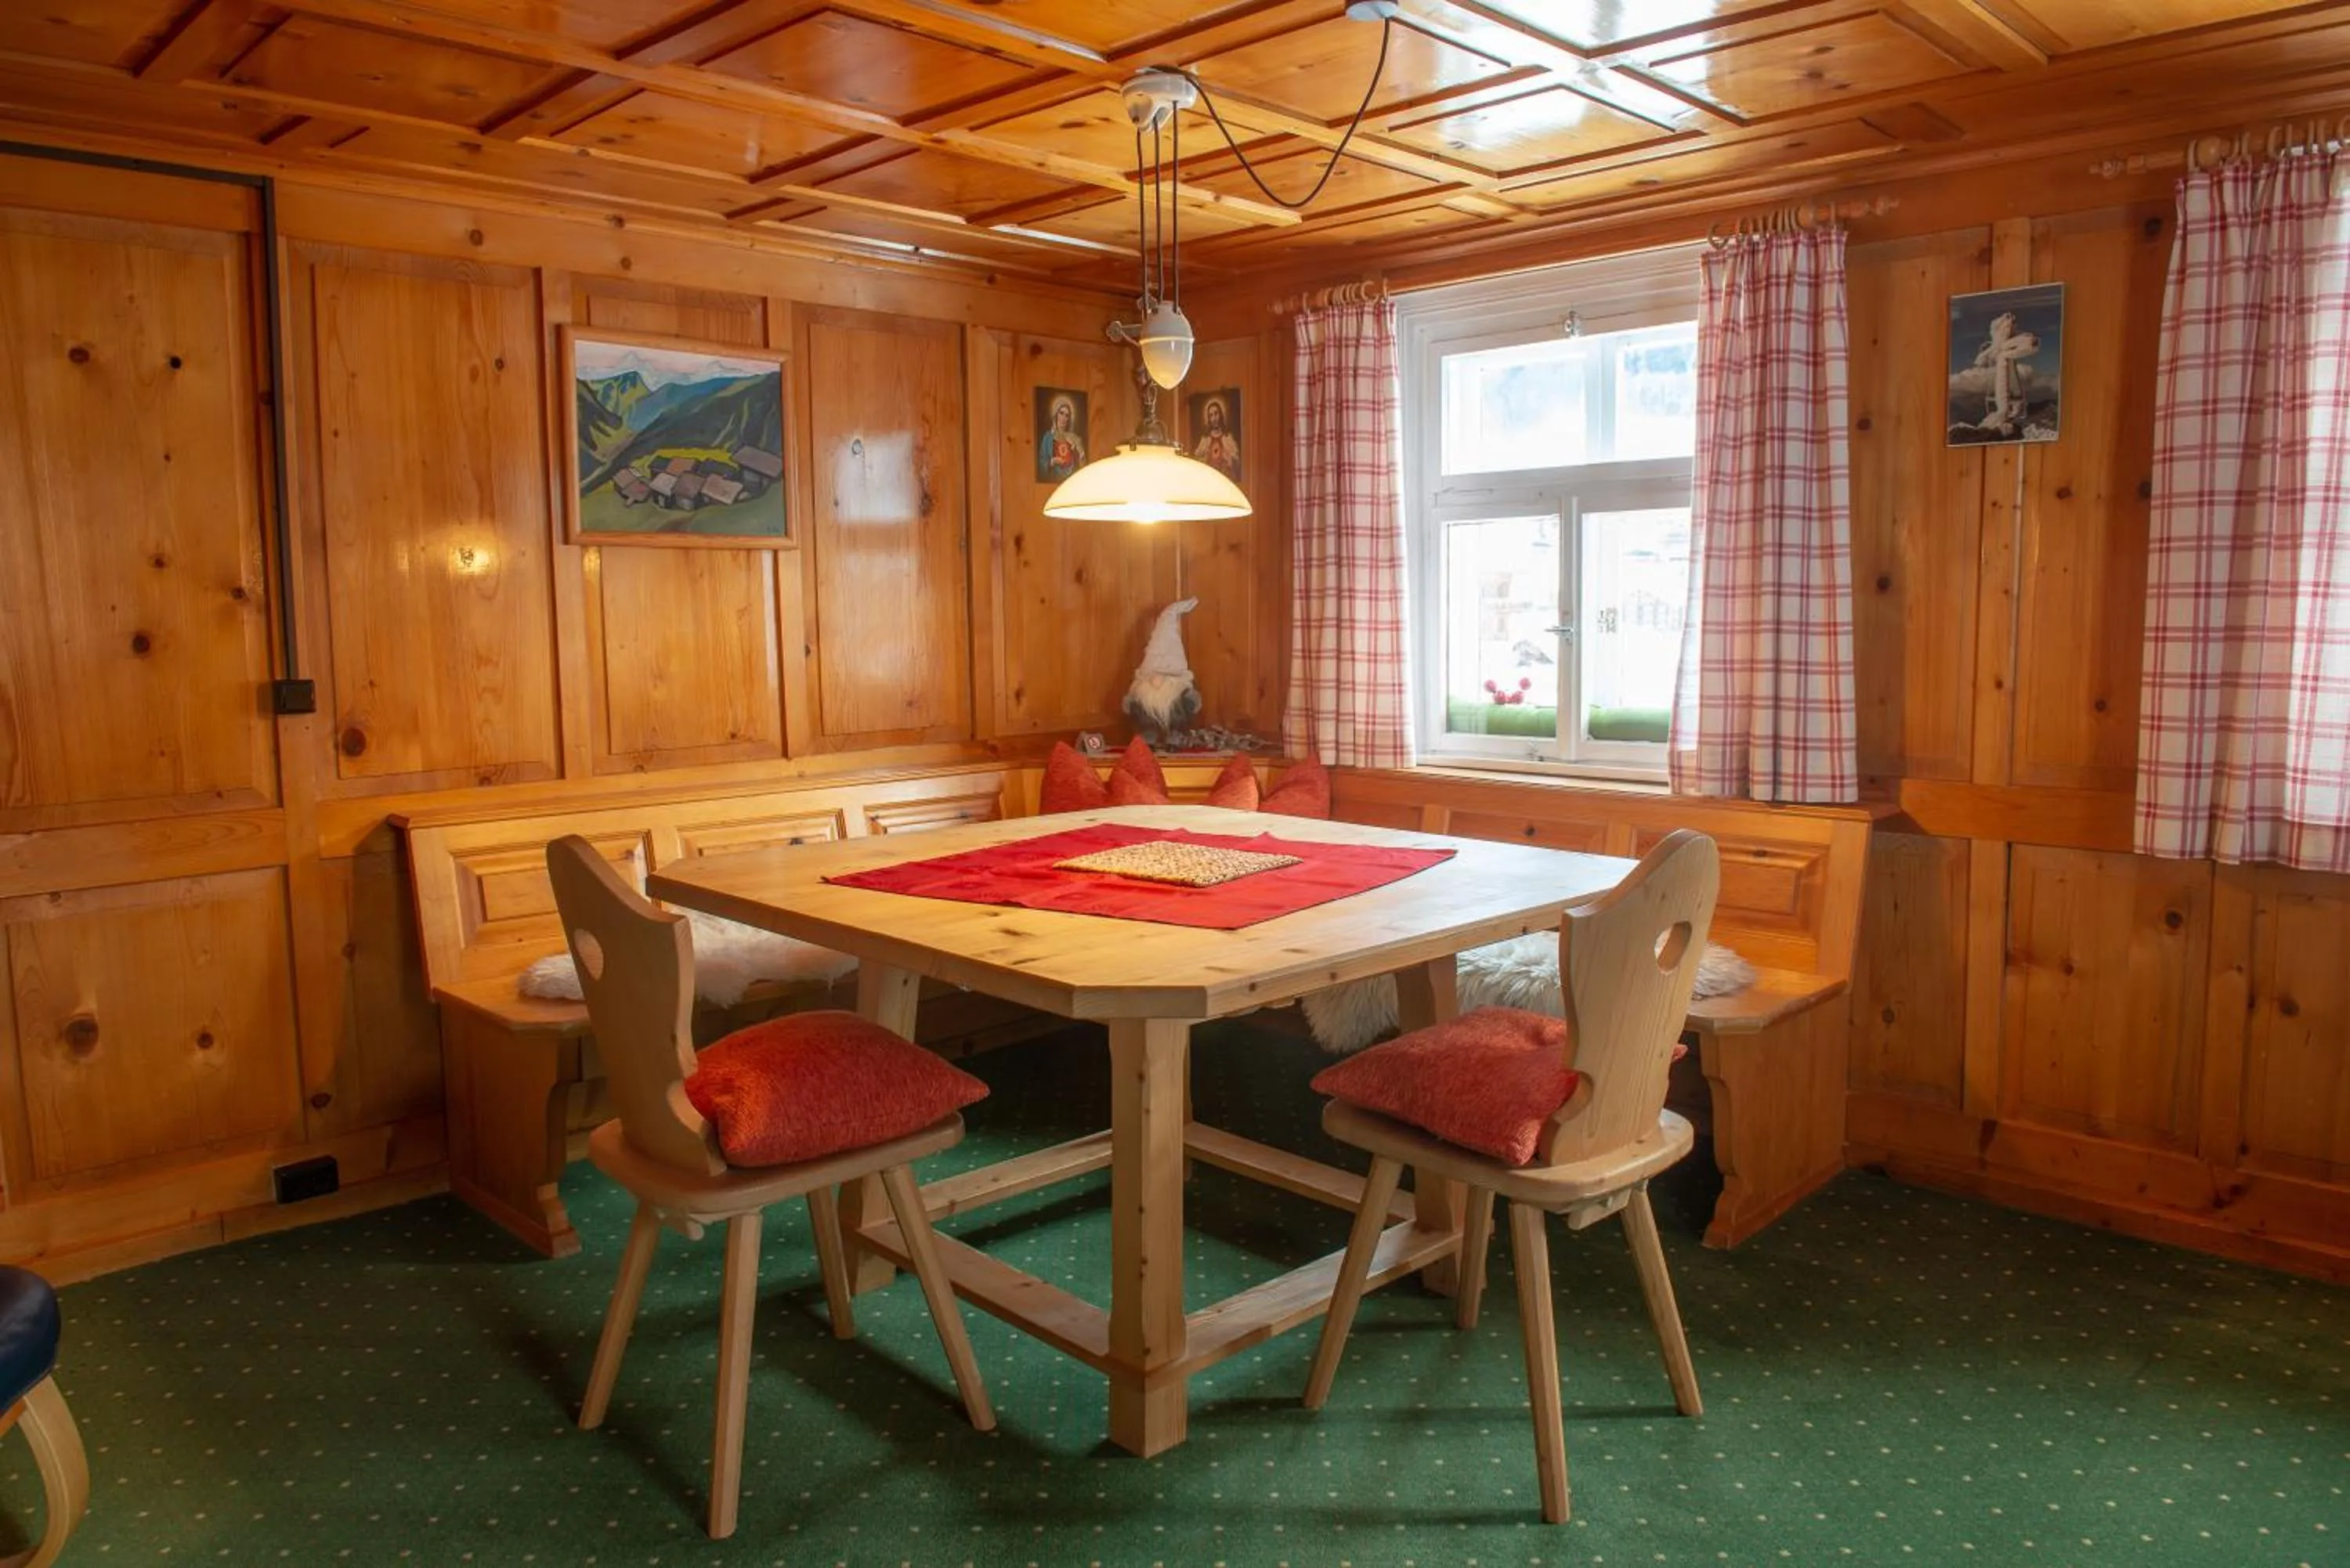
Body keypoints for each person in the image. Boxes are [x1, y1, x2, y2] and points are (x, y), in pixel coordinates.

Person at [1191, 396, 1241, 482]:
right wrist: (1205, 458)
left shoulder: (1228, 438)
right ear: (1209, 419)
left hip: (1225, 479)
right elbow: (1196, 461)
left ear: (1221, 415)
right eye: (1211, 415)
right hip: (1210, 480)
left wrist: (1228, 458)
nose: (1214, 418)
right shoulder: (1205, 440)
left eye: (1216, 414)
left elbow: (1237, 462)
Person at [1039, 396, 1085, 480]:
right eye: (1061, 413)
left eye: (1067, 415)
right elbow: (1041, 465)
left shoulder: (1075, 438)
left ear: (1069, 419)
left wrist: (1078, 452)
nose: (1063, 418)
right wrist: (1052, 462)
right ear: (1056, 414)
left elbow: (1083, 467)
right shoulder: (1048, 438)